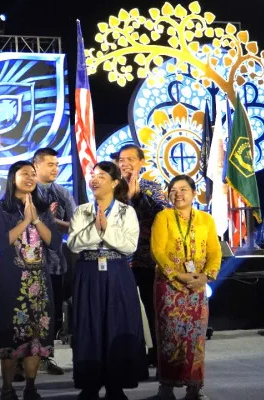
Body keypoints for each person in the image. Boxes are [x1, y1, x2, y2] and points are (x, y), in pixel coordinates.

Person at [67, 161, 146, 400]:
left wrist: (107, 229)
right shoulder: (82, 210)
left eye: (101, 175)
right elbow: (73, 243)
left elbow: (129, 245)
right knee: (88, 325)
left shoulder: (126, 211)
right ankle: (89, 383)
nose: (95, 179)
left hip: (117, 272)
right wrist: (97, 229)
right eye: (93, 175)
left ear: (114, 182)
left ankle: (116, 384)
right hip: (88, 271)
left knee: (117, 324)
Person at [0, 160, 60, 400]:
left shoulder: (41, 209)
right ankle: (7, 388)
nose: (30, 178)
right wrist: (24, 221)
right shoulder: (2, 208)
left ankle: (31, 386)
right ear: (13, 178)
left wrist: (37, 220)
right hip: (12, 280)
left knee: (36, 334)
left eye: (33, 174)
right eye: (24, 174)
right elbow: (1, 242)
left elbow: (54, 243)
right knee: (11, 333)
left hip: (39, 280)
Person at [151, 175, 221, 400]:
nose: (178, 194)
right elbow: (158, 251)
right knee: (169, 337)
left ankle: (194, 386)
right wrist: (178, 275)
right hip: (169, 288)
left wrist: (206, 276)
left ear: (193, 193)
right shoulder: (163, 217)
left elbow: (214, 252)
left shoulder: (206, 220)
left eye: (183, 189)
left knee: (196, 338)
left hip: (197, 288)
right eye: (173, 190)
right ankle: (167, 386)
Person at [117, 143, 167, 367]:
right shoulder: (113, 189)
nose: (125, 163)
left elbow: (161, 212)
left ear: (141, 162)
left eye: (130, 159)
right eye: (121, 160)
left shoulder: (151, 187)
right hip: (119, 260)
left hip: (145, 259)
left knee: (150, 306)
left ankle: (156, 351)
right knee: (123, 308)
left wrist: (137, 197)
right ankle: (129, 352)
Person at [32, 147, 77, 375]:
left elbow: (77, 224)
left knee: (51, 313)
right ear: (36, 165)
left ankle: (46, 357)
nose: (55, 169)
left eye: (57, 165)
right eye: (50, 164)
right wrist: (48, 221)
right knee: (28, 312)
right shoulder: (26, 191)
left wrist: (50, 221)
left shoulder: (62, 193)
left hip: (56, 262)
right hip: (28, 264)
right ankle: (25, 359)